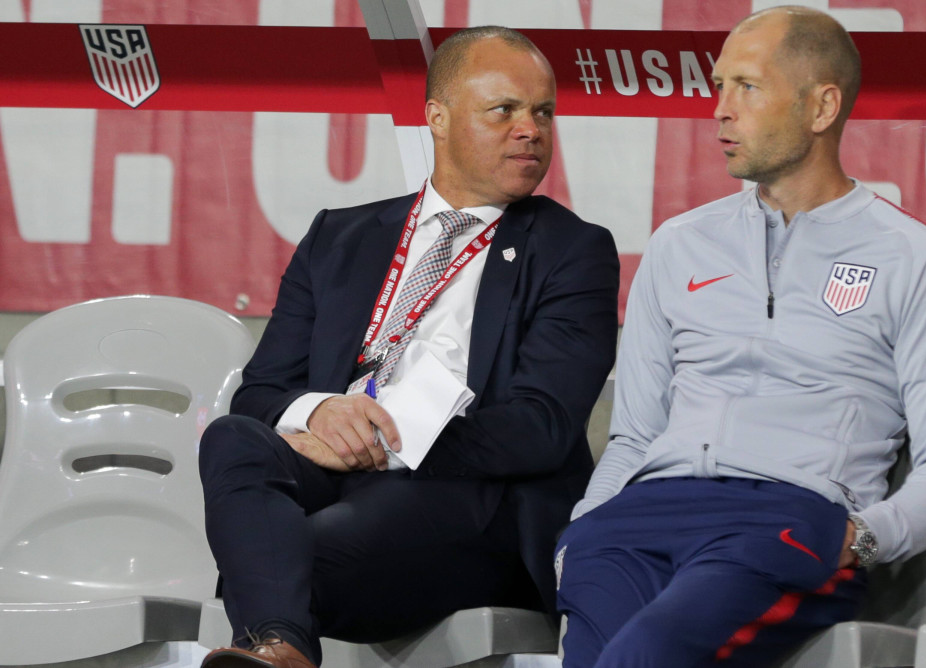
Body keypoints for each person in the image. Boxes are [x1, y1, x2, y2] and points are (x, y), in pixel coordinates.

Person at [554, 7, 926, 667]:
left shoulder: (914, 257)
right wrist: (582, 528)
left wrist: (862, 540)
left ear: (821, 107)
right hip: (640, 515)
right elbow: (634, 437)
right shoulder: (678, 244)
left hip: (785, 519)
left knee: (638, 659)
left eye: (746, 87)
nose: (720, 110)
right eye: (719, 85)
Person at [198, 26, 619, 668]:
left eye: (543, 111)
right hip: (332, 470)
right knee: (231, 438)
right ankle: (283, 648)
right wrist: (319, 413)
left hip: (466, 490)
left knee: (276, 559)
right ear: (438, 118)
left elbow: (544, 426)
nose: (530, 129)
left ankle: (275, 633)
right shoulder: (340, 237)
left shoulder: (573, 250)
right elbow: (261, 393)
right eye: (504, 109)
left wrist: (388, 442)